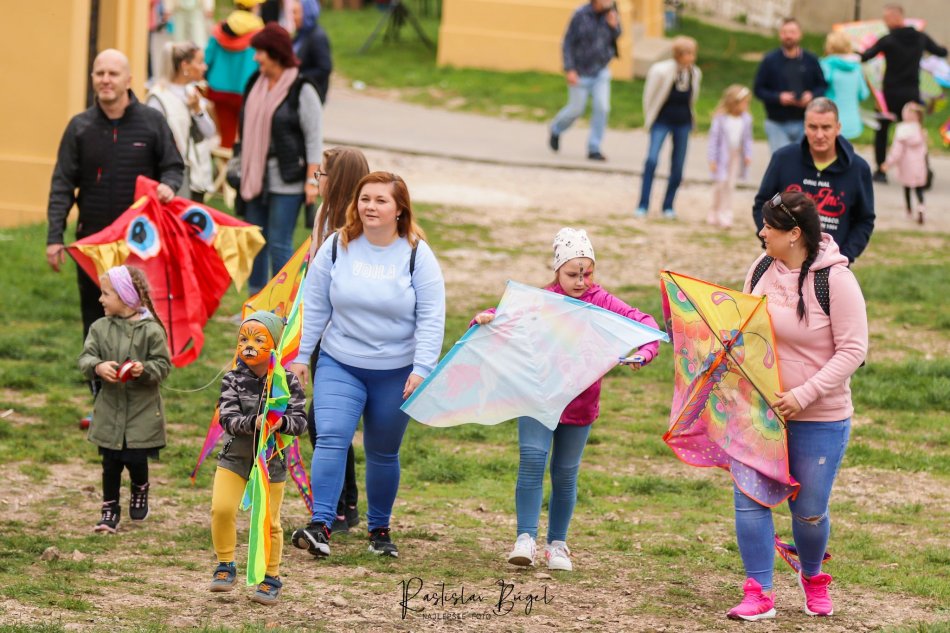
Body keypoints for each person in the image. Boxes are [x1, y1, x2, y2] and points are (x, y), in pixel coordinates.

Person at [472, 228, 660, 572]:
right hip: (537, 396)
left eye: (588, 273)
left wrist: (646, 351)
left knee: (565, 473)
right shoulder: (543, 300)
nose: (581, 281)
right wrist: (485, 317)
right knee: (532, 461)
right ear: (557, 269)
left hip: (580, 403)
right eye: (573, 274)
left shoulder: (602, 300)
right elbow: (503, 314)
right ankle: (525, 539)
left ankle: (557, 544)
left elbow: (646, 324)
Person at [289, 172, 446, 559]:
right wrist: (302, 356)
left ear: (399, 209)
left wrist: (422, 369)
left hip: (396, 371)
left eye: (380, 200)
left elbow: (432, 317)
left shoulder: (416, 254)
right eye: (365, 199)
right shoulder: (336, 245)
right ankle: (321, 525)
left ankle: (379, 530)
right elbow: (315, 304)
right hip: (340, 362)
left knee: (383, 452)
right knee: (331, 437)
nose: (370, 206)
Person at [727, 191, 867, 621]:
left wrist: (803, 394)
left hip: (820, 417)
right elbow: (745, 329)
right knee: (749, 498)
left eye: (769, 226)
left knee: (808, 513)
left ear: (793, 234)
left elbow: (854, 350)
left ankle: (812, 575)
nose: (761, 232)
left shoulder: (836, 280)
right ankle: (759, 591)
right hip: (760, 411)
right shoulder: (761, 268)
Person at [47, 49, 183, 344]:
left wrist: (169, 185)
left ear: (128, 80)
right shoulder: (80, 127)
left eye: (113, 74)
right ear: (92, 78)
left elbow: (173, 166)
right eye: (100, 73)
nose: (105, 79)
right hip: (93, 244)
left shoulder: (152, 121)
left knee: (140, 322)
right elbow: (62, 185)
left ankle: (137, 373)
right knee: (96, 323)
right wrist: (54, 237)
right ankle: (98, 373)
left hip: (140, 243)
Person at [209, 311, 307, 605]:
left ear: (274, 344)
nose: (248, 346)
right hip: (235, 459)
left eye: (258, 339)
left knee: (269, 522)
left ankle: (271, 577)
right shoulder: (232, 379)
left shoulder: (287, 381)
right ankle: (225, 564)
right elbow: (227, 419)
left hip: (271, 463)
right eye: (243, 339)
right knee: (221, 509)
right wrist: (255, 422)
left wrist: (281, 423)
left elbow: (300, 421)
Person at [305, 146, 371, 533]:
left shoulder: (359, 227)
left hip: (349, 338)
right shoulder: (322, 215)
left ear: (338, 179)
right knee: (328, 423)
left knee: (325, 421)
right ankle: (345, 502)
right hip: (320, 334)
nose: (317, 180)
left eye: (322, 174)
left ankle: (344, 503)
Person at [78, 266, 171, 534]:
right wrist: (97, 367)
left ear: (125, 297)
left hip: (142, 412)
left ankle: (140, 487)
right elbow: (85, 358)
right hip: (110, 411)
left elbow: (163, 365)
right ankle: (109, 510)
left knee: (136, 459)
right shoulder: (99, 328)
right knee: (110, 463)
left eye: (106, 294)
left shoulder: (151, 331)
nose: (100, 299)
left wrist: (145, 369)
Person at [239, 23, 323, 296]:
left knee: (279, 243)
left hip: (288, 179)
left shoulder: (301, 88)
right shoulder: (255, 83)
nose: (255, 58)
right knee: (255, 241)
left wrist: (312, 181)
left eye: (260, 52)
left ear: (275, 53)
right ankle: (255, 303)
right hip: (255, 177)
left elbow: (314, 138)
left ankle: (281, 304)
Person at [753, 98, 875, 264]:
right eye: (813, 127)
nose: (819, 135)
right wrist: (774, 242)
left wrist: (843, 256)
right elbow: (762, 204)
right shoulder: (783, 159)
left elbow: (864, 220)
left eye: (826, 127)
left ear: (838, 128)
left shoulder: (858, 169)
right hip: (783, 259)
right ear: (805, 127)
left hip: (831, 265)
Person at [860, 3, 947, 182]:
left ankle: (881, 171)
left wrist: (854, 50)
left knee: (882, 131)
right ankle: (924, 170)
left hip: (890, 95)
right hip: (912, 95)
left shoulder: (888, 40)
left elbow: (866, 56)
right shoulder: (920, 37)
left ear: (895, 17)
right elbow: (940, 52)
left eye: (886, 18)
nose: (885, 22)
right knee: (915, 133)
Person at [636, 36, 701, 220]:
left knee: (678, 166)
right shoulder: (661, 71)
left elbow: (693, 98)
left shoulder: (695, 73)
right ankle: (643, 204)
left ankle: (668, 205)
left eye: (692, 53)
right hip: (662, 121)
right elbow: (649, 96)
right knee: (651, 160)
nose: (691, 57)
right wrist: (649, 118)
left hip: (683, 123)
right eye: (687, 53)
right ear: (678, 55)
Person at [547, 0, 621, 161]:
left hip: (601, 70)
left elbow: (616, 36)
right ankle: (556, 128)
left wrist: (613, 26)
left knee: (602, 108)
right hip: (580, 71)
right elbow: (567, 42)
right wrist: (570, 69)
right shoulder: (580, 14)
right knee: (576, 109)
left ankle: (594, 148)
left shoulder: (611, 13)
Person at [147, 41, 218, 201]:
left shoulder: (192, 92)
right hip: (173, 178)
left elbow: (209, 132)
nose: (204, 67)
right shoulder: (158, 98)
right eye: (200, 62)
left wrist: (197, 110)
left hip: (197, 178)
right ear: (185, 65)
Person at [754, 18, 828, 153]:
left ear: (800, 34)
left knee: (803, 161)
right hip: (777, 123)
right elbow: (758, 89)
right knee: (783, 161)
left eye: (792, 32)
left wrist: (811, 96)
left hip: (805, 122)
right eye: (784, 32)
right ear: (780, 35)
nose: (788, 36)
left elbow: (822, 85)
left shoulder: (811, 60)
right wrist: (778, 97)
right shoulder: (770, 60)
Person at [205, 0, 265, 149]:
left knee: (226, 138)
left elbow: (207, 58)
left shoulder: (220, 29)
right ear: (255, 7)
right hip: (246, 91)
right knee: (247, 137)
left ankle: (224, 162)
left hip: (219, 90)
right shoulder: (260, 32)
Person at [707, 84, 754, 228]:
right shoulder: (721, 119)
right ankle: (714, 211)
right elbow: (713, 140)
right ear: (734, 103)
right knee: (720, 185)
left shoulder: (746, 119)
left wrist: (748, 154)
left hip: (735, 157)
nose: (746, 105)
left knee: (730, 185)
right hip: (721, 157)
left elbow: (747, 139)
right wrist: (712, 159)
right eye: (744, 102)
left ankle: (726, 214)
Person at [882, 102, 929, 224]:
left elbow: (897, 151)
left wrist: (888, 163)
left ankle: (909, 211)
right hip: (919, 165)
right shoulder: (920, 129)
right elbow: (924, 151)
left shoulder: (902, 130)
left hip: (906, 165)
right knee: (919, 188)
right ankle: (921, 207)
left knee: (907, 188)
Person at [820, 31, 870, 141]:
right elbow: (863, 94)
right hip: (852, 123)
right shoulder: (856, 67)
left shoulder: (825, 65)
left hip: (829, 122)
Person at [292, 0, 333, 104]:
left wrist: (299, 77)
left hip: (311, 95)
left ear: (307, 13)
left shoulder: (317, 37)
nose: (293, 17)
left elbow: (324, 68)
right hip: (300, 93)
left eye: (296, 13)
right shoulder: (301, 35)